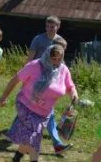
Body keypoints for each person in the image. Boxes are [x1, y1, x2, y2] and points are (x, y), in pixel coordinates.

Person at [0, 43, 79, 162]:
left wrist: (73, 95)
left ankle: (16, 158)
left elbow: (70, 85)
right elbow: (14, 80)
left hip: (44, 111)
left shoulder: (63, 70)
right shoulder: (34, 66)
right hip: (26, 105)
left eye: (60, 59)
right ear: (48, 56)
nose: (57, 63)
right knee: (35, 136)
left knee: (30, 137)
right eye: (54, 59)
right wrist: (3, 97)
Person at [27, 15, 71, 153]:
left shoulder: (60, 41)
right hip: (38, 79)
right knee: (41, 110)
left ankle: (56, 143)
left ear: (58, 27)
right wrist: (26, 75)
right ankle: (57, 143)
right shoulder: (38, 39)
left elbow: (60, 62)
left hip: (51, 81)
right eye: (48, 26)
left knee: (42, 110)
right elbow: (30, 57)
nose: (50, 29)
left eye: (53, 26)